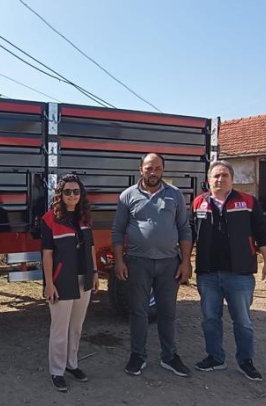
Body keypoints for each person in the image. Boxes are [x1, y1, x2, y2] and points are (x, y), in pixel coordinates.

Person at [188, 160, 266, 381]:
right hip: (207, 272)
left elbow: (262, 234)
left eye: (224, 176)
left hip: (239, 273)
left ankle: (246, 361)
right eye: (215, 176)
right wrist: (185, 262)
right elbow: (190, 235)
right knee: (210, 319)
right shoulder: (199, 203)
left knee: (243, 321)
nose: (219, 179)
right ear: (208, 180)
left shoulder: (247, 202)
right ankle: (215, 358)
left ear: (232, 179)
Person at [111, 153, 193, 378]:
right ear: (141, 169)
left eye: (157, 168)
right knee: (138, 312)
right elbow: (117, 231)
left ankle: (170, 357)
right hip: (138, 263)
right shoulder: (127, 196)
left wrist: (186, 261)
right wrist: (119, 261)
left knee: (167, 312)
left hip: (169, 264)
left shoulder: (174, 195)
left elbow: (185, 229)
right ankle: (138, 356)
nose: (153, 172)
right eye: (149, 168)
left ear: (163, 170)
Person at [41, 173, 99, 392]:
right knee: (59, 329)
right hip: (61, 281)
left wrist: (94, 273)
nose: (72, 195)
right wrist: (49, 283)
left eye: (76, 191)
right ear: (60, 194)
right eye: (67, 192)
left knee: (76, 327)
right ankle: (57, 371)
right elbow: (47, 254)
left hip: (83, 279)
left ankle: (72, 364)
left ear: (80, 194)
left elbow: (91, 248)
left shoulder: (85, 219)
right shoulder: (49, 220)